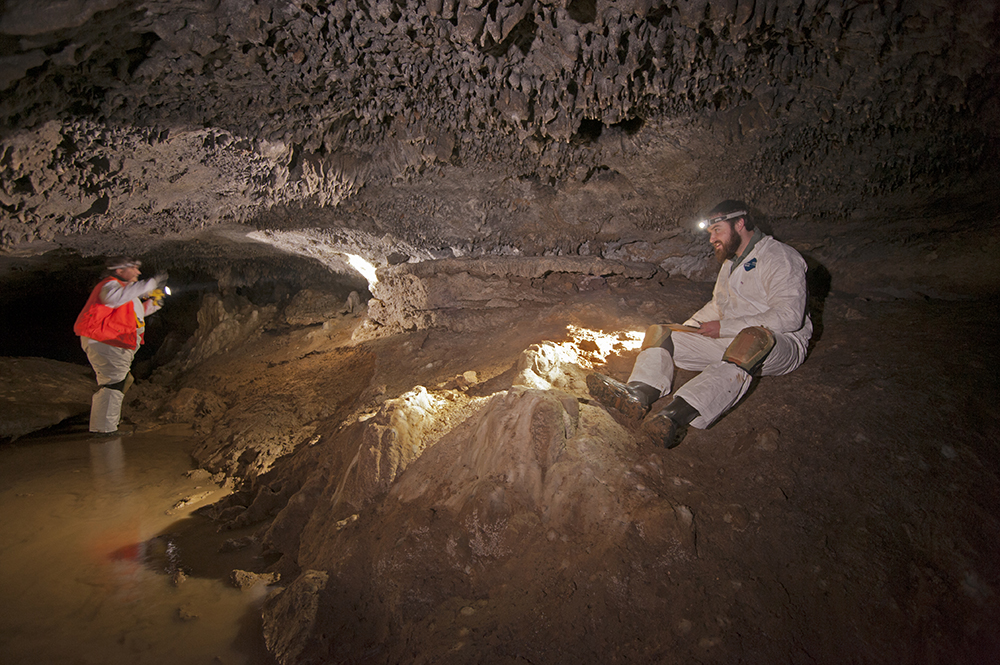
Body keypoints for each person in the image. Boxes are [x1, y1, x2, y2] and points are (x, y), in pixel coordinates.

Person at [587, 200, 812, 448]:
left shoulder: (779, 256)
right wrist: (690, 327)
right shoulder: (730, 264)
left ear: (740, 223)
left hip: (780, 344)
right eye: (710, 232)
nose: (711, 239)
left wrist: (724, 328)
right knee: (661, 332)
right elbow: (718, 306)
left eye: (717, 230)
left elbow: (790, 316)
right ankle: (638, 394)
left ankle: (673, 416)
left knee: (749, 338)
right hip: (733, 339)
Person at [74, 257, 167, 435]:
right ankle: (104, 430)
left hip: (114, 341)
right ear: (119, 270)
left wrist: (155, 304)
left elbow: (136, 315)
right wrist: (150, 284)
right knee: (114, 384)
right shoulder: (109, 286)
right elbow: (113, 299)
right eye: (134, 268)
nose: (138, 272)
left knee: (125, 380)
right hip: (104, 340)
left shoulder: (124, 292)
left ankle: (105, 417)